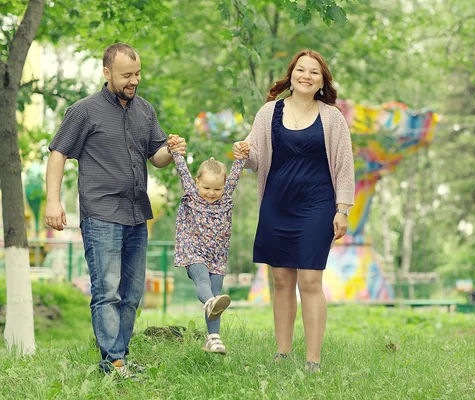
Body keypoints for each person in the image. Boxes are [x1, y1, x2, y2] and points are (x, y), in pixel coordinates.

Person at [44, 43, 187, 379]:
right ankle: (114, 361)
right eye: (126, 75)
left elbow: (157, 158)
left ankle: (118, 357)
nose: (133, 81)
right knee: (107, 290)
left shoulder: (146, 111)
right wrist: (53, 201)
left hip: (137, 213)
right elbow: (57, 155)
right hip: (101, 212)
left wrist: (172, 148)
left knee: (132, 293)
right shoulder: (84, 111)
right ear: (107, 72)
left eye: (137, 74)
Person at [232, 49, 355, 373]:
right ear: (291, 75)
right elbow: (256, 158)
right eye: (301, 70)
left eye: (314, 72)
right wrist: (242, 153)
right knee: (281, 279)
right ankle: (282, 352)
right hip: (276, 204)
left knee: (311, 280)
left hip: (317, 206)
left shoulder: (332, 117)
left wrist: (342, 209)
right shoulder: (269, 112)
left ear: (321, 81)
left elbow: (344, 167)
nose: (306, 76)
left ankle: (313, 359)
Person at [168, 135, 249, 355]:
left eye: (217, 189)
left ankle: (213, 338)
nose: (211, 194)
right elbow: (181, 168)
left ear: (224, 187)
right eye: (206, 188)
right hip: (192, 250)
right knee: (203, 282)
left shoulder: (226, 196)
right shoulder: (192, 195)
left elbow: (236, 172)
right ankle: (211, 306)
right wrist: (176, 150)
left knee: (215, 294)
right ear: (196, 182)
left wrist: (240, 155)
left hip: (217, 256)